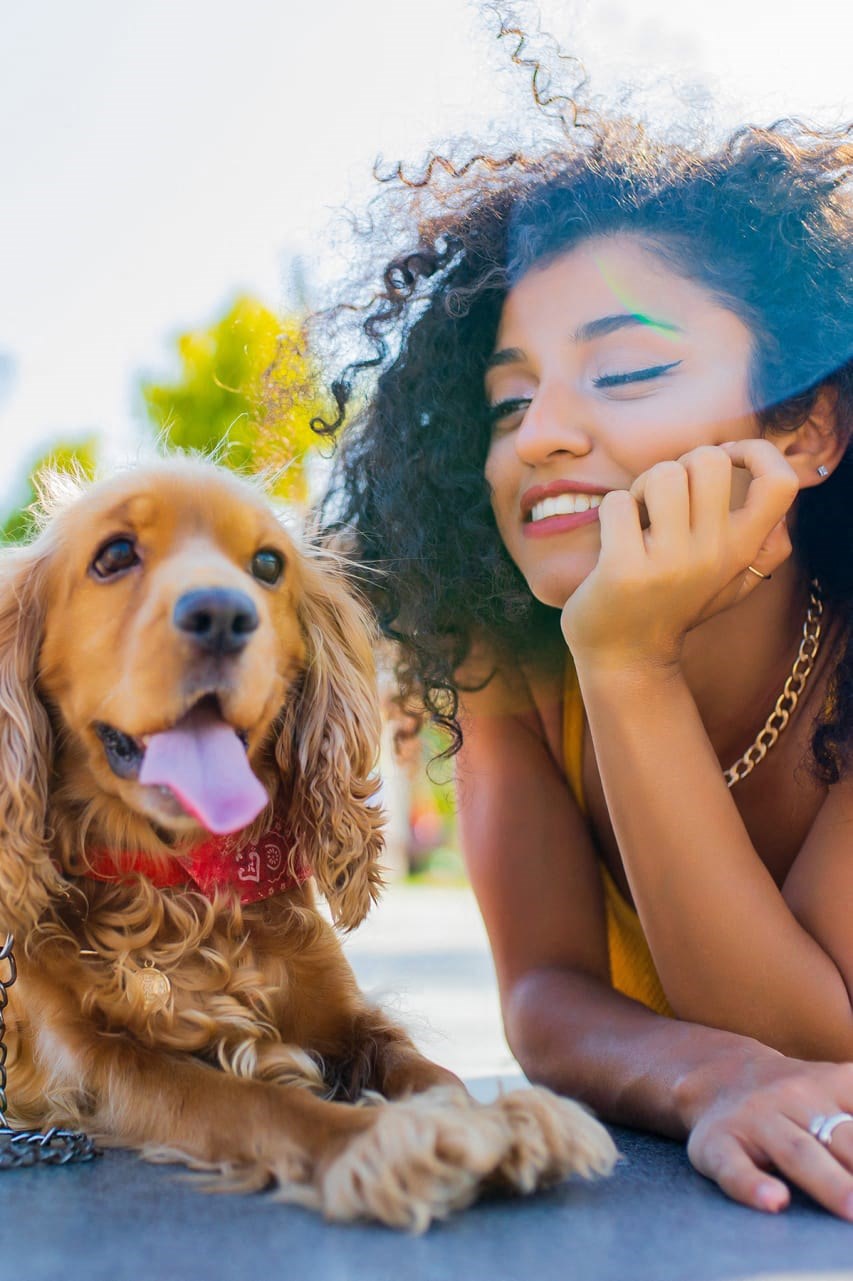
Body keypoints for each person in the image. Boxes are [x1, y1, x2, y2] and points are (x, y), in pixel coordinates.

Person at [310, 52, 853, 1219]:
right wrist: (715, 1082)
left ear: (806, 426)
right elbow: (547, 992)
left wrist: (629, 661)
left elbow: (818, 1041)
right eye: (509, 401)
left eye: (626, 370)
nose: (541, 436)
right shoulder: (505, 648)